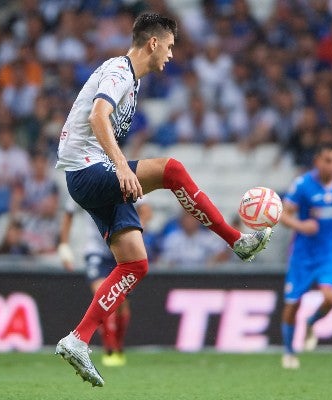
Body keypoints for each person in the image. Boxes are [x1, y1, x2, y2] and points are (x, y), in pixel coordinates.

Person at [54, 13, 272, 387]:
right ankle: (238, 242)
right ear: (153, 43)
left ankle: (78, 340)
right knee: (171, 170)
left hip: (89, 173)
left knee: (136, 264)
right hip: (87, 171)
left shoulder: (132, 82)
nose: (171, 55)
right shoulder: (120, 72)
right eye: (170, 46)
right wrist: (122, 167)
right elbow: (97, 115)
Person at [279, 143, 332, 369]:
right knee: (293, 304)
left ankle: (311, 323)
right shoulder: (303, 185)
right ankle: (289, 352)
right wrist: (301, 226)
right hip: (302, 255)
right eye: (329, 160)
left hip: (329, 253)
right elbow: (283, 214)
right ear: (318, 162)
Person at [58, 198, 131, 368]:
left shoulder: (127, 180)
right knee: (102, 294)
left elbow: (145, 209)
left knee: (121, 303)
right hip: (96, 251)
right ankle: (110, 349)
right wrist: (64, 245)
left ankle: (118, 346)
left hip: (121, 250)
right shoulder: (87, 180)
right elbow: (69, 213)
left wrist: (135, 232)